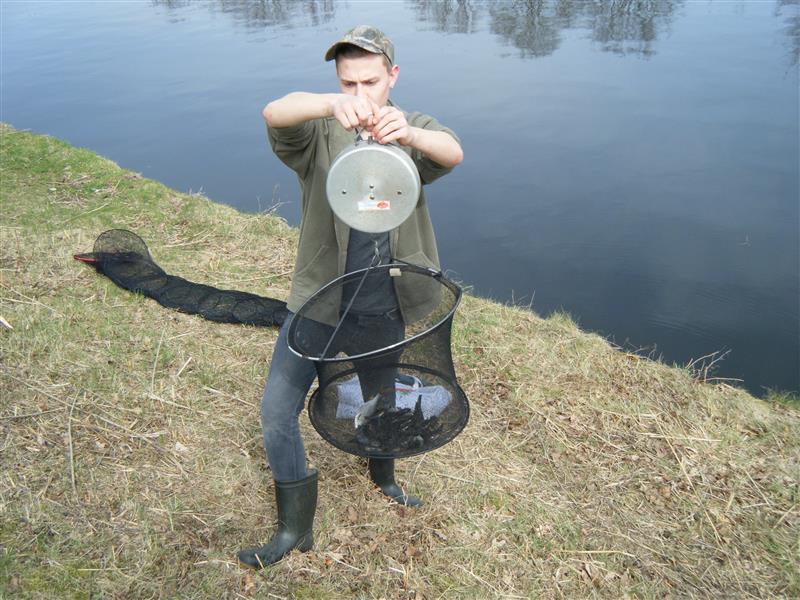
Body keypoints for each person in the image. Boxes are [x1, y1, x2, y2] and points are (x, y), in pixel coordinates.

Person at [237, 25, 463, 569]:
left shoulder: (410, 127)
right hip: (320, 301)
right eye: (348, 83)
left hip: (384, 303)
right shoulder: (318, 131)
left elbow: (453, 152)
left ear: (393, 76)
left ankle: (384, 475)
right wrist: (328, 104)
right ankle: (295, 528)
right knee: (275, 411)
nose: (361, 94)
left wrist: (410, 135)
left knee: (381, 399)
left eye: (371, 82)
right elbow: (273, 111)